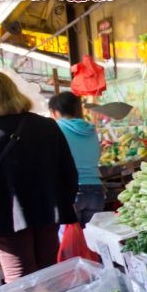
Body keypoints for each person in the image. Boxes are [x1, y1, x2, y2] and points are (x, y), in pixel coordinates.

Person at [0, 71, 78, 283]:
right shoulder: (46, 125)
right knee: (49, 273)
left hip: (3, 212)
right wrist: (63, 201)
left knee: (20, 280)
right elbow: (68, 171)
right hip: (47, 208)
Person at [49, 92, 105, 227]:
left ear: (54, 112)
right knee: (90, 242)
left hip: (72, 191)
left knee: (70, 244)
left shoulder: (55, 129)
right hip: (96, 190)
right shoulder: (91, 130)